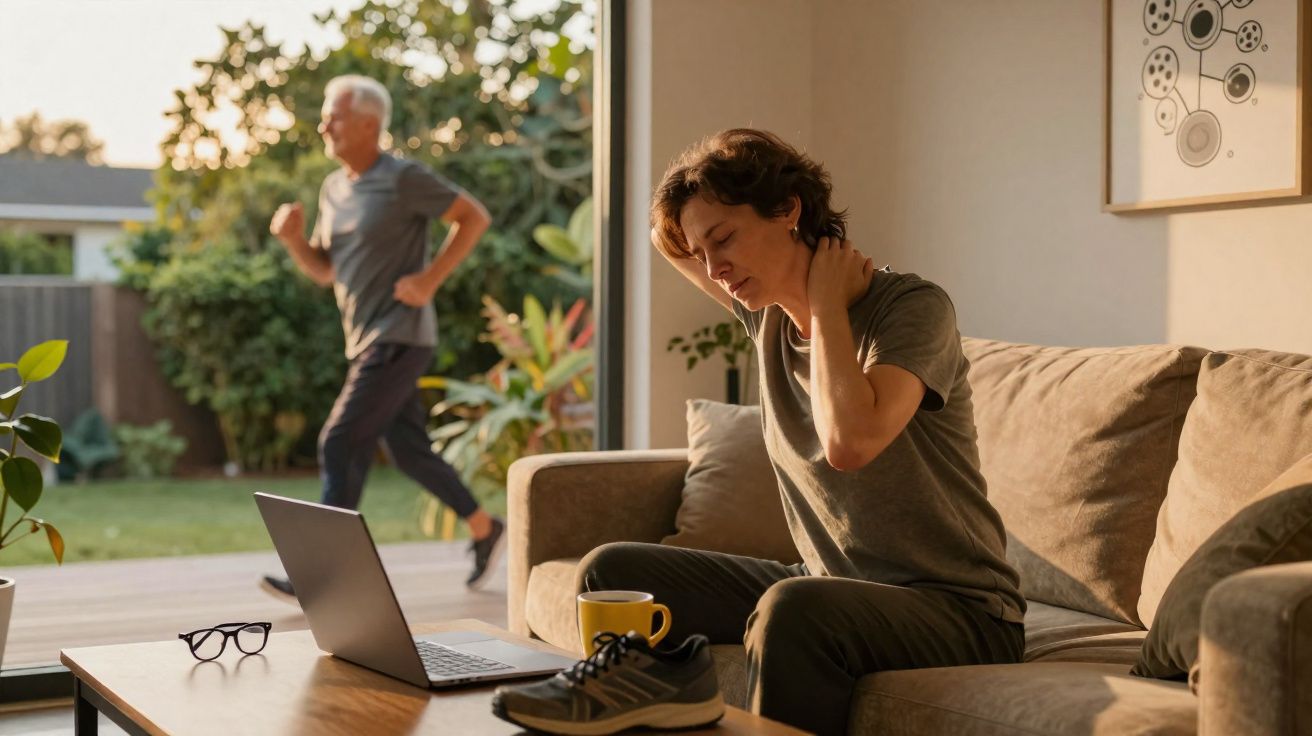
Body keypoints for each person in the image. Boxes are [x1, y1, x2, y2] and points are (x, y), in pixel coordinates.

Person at [574, 129, 1027, 735]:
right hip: (828, 586)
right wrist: (686, 212)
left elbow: (850, 443)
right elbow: (669, 245)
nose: (714, 268)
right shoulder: (763, 313)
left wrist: (826, 306)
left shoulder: (913, 309)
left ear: (788, 210)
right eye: (704, 252)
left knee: (791, 610)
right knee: (612, 575)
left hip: (958, 609)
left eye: (725, 239)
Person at [262, 75, 504, 599]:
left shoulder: (402, 178)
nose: (325, 124)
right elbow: (326, 270)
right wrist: (293, 241)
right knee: (409, 451)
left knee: (340, 440)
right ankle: (486, 526)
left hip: (399, 334)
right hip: (366, 337)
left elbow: (472, 218)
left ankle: (322, 574)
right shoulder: (334, 187)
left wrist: (429, 280)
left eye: (336, 115)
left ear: (370, 124)